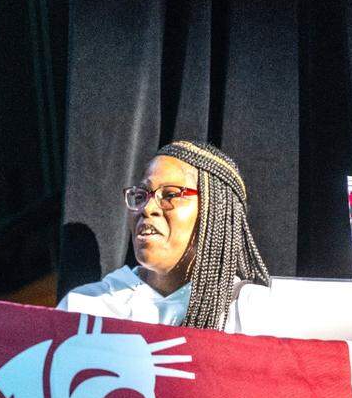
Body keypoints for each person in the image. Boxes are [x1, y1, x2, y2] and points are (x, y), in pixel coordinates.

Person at [58, 140, 271, 331]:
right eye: (140, 195)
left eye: (170, 195)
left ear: (215, 211)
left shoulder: (253, 312)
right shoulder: (86, 307)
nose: (147, 208)